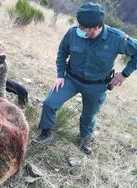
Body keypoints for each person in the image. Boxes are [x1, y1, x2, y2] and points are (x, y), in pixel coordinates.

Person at [33, 2, 137, 155]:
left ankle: (84, 139)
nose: (79, 29)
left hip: (97, 86)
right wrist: (60, 76)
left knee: (88, 115)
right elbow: (62, 52)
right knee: (49, 103)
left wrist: (124, 74)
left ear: (96, 27)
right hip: (71, 79)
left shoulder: (117, 38)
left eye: (83, 27)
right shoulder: (72, 33)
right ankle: (46, 133)